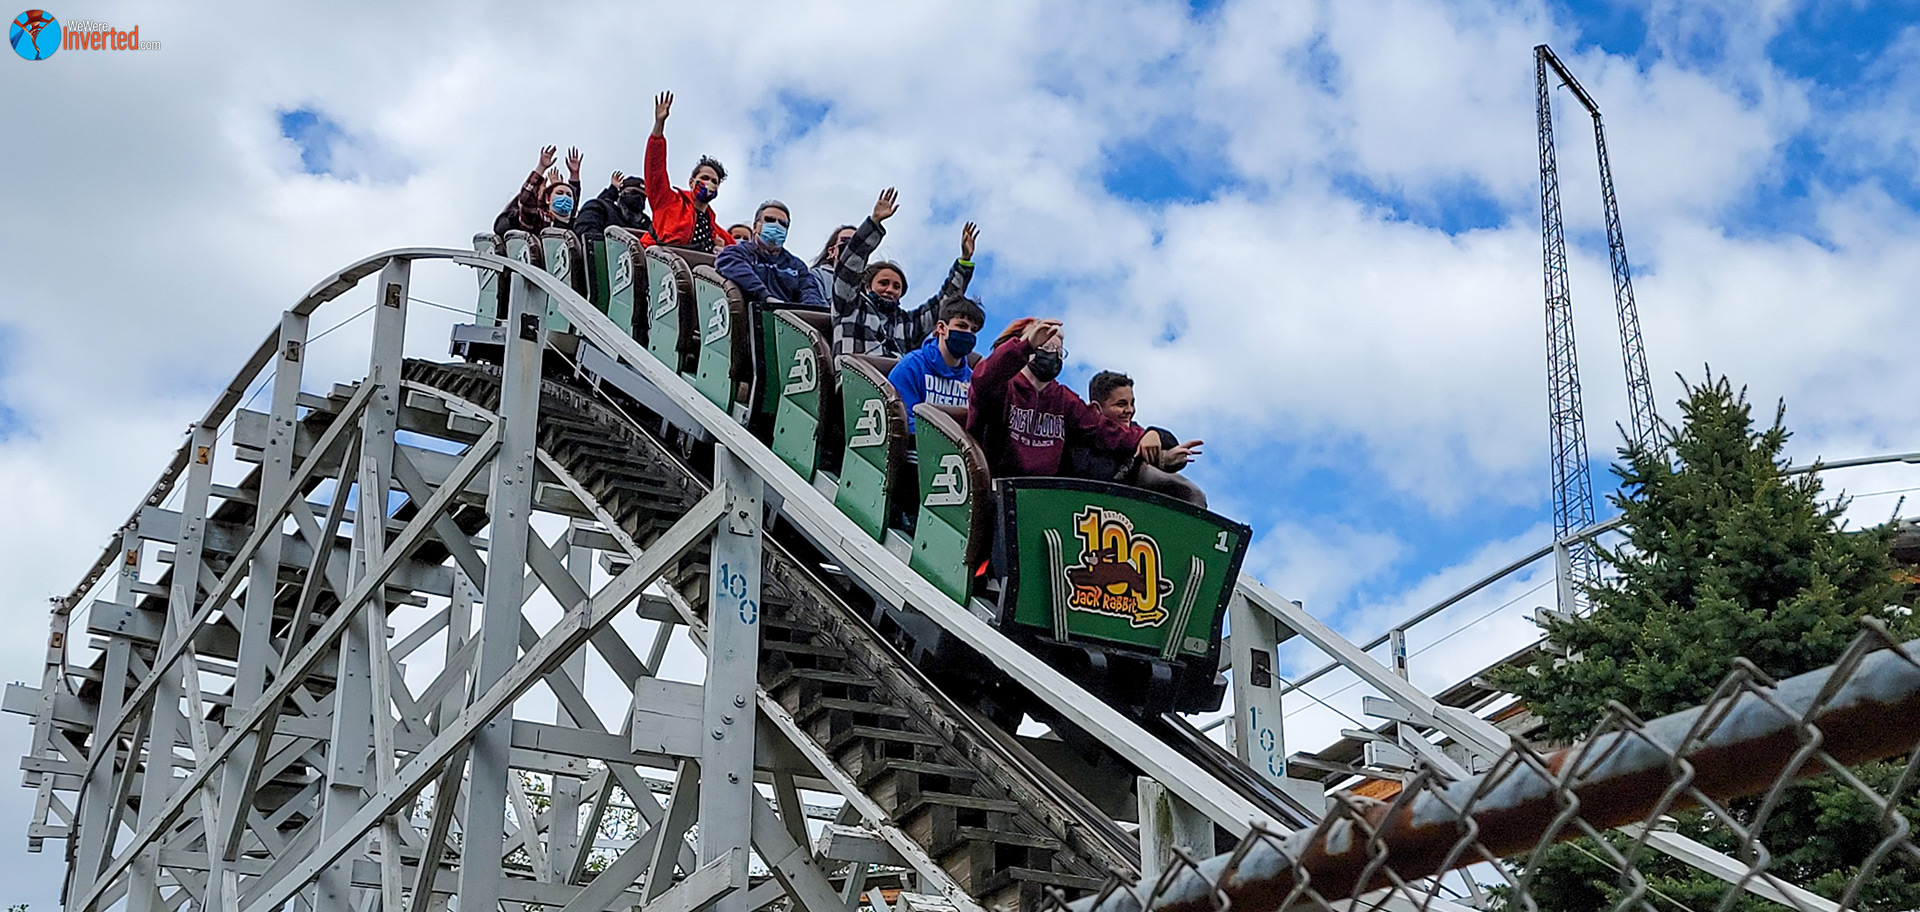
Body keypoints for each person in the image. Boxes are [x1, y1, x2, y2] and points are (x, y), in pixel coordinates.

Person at [965, 318, 1154, 480]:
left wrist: (1147, 436)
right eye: (1046, 346)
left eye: (1059, 351)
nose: (1053, 355)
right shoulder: (1004, 387)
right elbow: (984, 379)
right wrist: (1026, 345)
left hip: (1044, 496)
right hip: (996, 490)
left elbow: (1103, 430)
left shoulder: (1064, 399)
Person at [830, 187, 979, 357]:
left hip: (892, 382)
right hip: (854, 380)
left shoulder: (907, 323)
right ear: (868, 286)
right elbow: (850, 266)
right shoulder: (849, 305)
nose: (890, 290)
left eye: (896, 286)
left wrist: (964, 261)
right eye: (883, 283)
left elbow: (944, 304)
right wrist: (874, 222)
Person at [1067, 371, 1208, 507]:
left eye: (1132, 403)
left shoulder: (1136, 435)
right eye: (1121, 404)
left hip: (1126, 520)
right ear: (1097, 408)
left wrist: (1156, 436)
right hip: (1082, 512)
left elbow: (1166, 443)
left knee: (1191, 492)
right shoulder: (1078, 441)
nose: (1129, 410)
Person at [641, 91, 734, 252]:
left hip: (688, 271)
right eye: (705, 178)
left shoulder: (712, 227)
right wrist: (659, 127)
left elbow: (741, 250)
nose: (709, 184)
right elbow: (655, 169)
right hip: (657, 263)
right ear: (692, 182)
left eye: (715, 182)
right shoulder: (668, 202)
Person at [887, 296, 985, 431]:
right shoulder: (911, 367)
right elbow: (902, 420)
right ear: (941, 328)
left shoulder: (972, 380)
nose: (968, 333)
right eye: (961, 325)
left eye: (973, 330)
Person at [715, 200, 826, 309]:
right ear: (755, 226)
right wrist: (766, 297)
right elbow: (732, 265)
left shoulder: (797, 265)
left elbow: (809, 290)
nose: (776, 226)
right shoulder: (735, 253)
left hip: (788, 321)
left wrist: (809, 311)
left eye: (783, 224)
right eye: (770, 220)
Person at [494, 145, 582, 237]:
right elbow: (526, 199)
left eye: (568, 195)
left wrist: (574, 174)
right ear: (548, 199)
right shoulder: (541, 219)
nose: (564, 197)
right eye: (559, 193)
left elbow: (575, 195)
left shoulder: (576, 224)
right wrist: (541, 167)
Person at [573, 171, 651, 245]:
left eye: (643, 196)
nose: (638, 198)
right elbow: (586, 235)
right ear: (621, 193)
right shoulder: (600, 208)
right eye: (633, 193)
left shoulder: (647, 224)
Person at [809, 224, 857, 303]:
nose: (850, 244)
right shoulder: (817, 275)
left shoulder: (869, 281)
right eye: (844, 240)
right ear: (831, 251)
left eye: (856, 241)